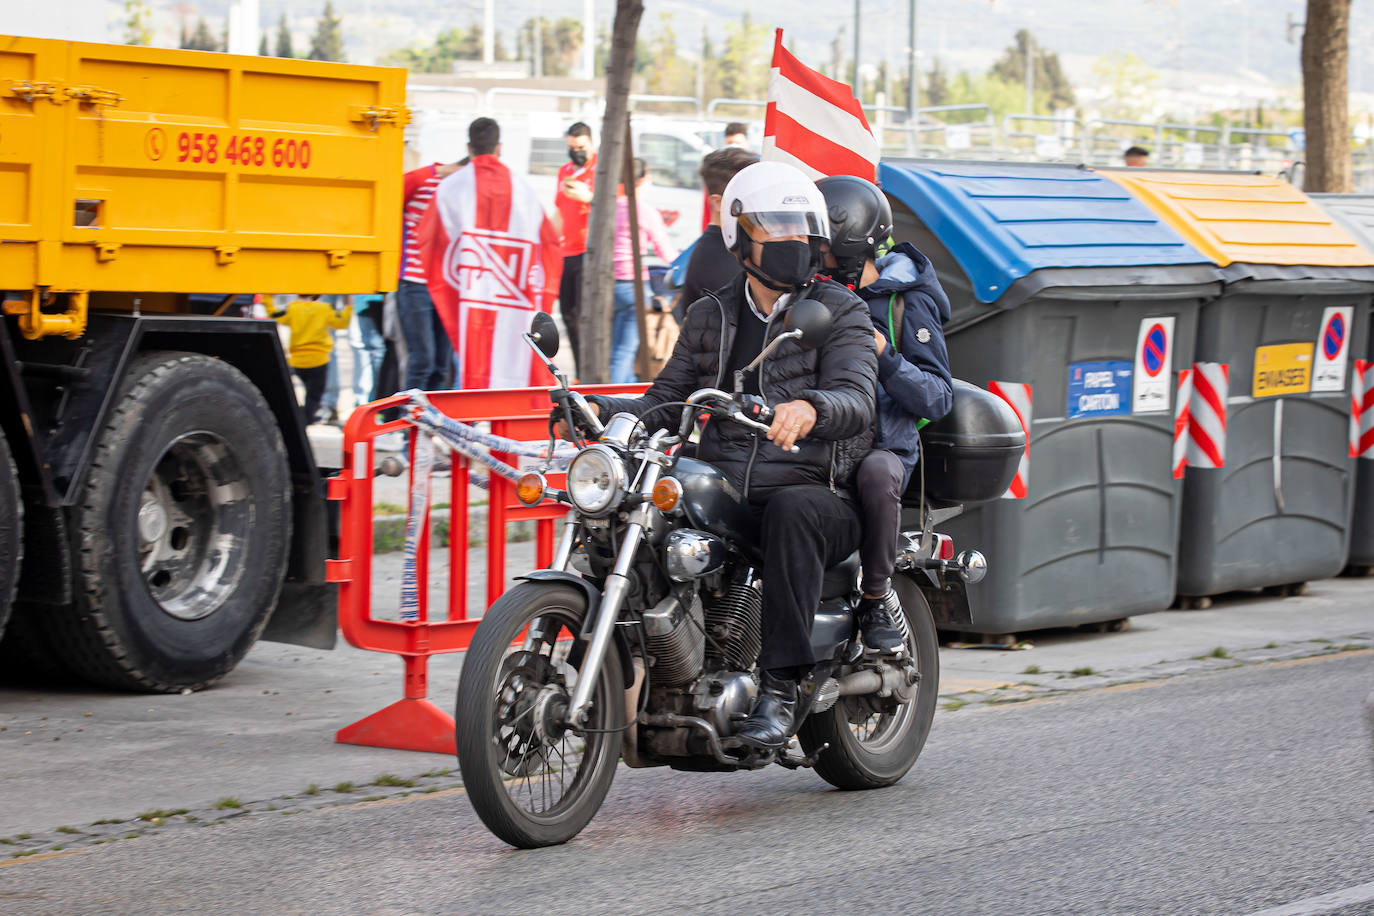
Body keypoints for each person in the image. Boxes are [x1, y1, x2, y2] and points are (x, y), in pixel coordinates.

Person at [577, 161, 879, 749]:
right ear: (740, 235)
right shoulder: (709, 314)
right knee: (647, 508)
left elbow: (858, 395)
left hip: (820, 490)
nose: (795, 242)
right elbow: (667, 399)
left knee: (794, 510)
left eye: (802, 229)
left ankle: (781, 687)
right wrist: (598, 411)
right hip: (728, 486)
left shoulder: (839, 311)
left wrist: (813, 408)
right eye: (778, 228)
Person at [818, 175, 953, 653]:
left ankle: (876, 597)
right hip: (824, 439)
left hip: (884, 446)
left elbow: (938, 397)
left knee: (876, 473)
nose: (821, 262)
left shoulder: (907, 302)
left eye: (829, 252)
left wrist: (887, 357)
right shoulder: (817, 297)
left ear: (856, 249)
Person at [418, 117, 562, 390]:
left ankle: (467, 428)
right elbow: (550, 246)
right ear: (499, 148)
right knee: (512, 373)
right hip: (514, 300)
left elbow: (430, 242)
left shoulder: (451, 188)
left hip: (469, 297)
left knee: (468, 367)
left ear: (469, 147)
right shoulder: (524, 192)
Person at [399, 149, 463, 391]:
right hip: (414, 282)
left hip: (446, 287)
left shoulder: (464, 193)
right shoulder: (421, 180)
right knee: (422, 360)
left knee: (441, 365)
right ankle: (409, 425)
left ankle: (432, 425)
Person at [611, 158, 678, 383]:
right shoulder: (644, 211)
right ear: (642, 180)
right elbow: (666, 253)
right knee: (625, 352)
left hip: (606, 285)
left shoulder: (606, 207)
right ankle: (612, 402)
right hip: (633, 286)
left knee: (612, 349)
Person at [673, 146, 757, 324]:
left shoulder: (729, 245)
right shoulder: (720, 255)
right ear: (718, 202)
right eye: (748, 195)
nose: (757, 201)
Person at [553, 122, 597, 378]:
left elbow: (617, 206)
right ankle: (580, 372)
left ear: (591, 143)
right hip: (565, 251)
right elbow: (559, 211)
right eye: (571, 147)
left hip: (588, 251)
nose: (576, 152)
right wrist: (546, 239)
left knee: (583, 315)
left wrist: (590, 197)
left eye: (580, 147)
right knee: (568, 314)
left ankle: (587, 372)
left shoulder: (600, 169)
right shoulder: (565, 171)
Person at [271, 294, 352, 425]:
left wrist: (267, 297)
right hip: (319, 360)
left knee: (296, 391)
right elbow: (342, 323)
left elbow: (274, 315)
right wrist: (349, 306)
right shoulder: (324, 309)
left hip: (297, 361)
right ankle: (305, 420)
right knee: (314, 396)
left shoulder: (292, 309)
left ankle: (300, 415)